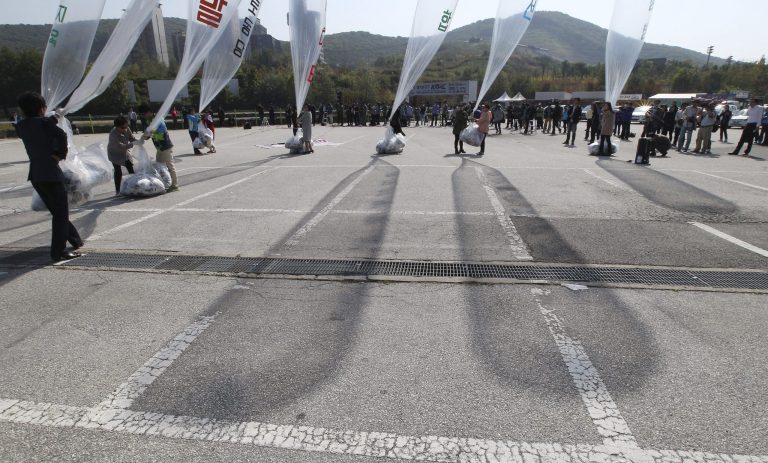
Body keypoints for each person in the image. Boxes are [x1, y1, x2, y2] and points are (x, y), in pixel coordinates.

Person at [16, 91, 83, 261]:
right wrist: (60, 155)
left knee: (57, 211)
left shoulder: (21, 126)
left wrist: (53, 118)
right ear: (41, 109)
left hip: (36, 175)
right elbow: (61, 135)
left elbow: (39, 126)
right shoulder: (44, 123)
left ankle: (75, 239)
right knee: (61, 214)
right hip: (51, 174)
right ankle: (59, 251)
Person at [140, 105, 178, 192]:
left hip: (166, 146)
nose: (143, 116)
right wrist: (145, 137)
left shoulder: (159, 120)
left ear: (149, 112)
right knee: (159, 166)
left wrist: (150, 133)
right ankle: (165, 183)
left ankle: (175, 185)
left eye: (144, 114)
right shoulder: (149, 121)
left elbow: (162, 133)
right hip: (159, 148)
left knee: (170, 166)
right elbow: (149, 134)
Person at [107, 116, 136, 194]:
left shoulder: (126, 128)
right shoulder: (113, 134)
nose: (125, 129)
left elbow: (131, 138)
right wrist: (132, 144)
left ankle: (135, 185)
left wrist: (138, 141)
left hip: (124, 152)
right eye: (123, 128)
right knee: (118, 171)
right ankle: (118, 190)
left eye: (126, 126)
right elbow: (120, 146)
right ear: (117, 127)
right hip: (114, 154)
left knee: (130, 167)